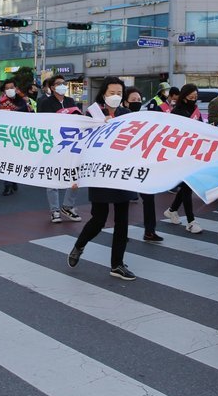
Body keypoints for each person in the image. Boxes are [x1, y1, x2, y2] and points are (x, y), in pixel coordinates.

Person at [68, 77, 139, 280]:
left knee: (122, 220)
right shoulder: (92, 113)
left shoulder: (127, 114)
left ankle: (117, 264)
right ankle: (79, 245)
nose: (115, 97)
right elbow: (82, 143)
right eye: (111, 93)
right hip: (99, 173)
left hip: (121, 173)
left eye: (119, 93)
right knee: (99, 218)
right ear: (103, 94)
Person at [38, 74, 83, 223]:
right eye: (58, 84)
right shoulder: (44, 102)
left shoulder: (71, 101)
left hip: (71, 143)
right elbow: (43, 122)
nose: (62, 86)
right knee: (53, 177)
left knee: (75, 175)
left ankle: (68, 206)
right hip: (54, 144)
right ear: (52, 87)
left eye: (64, 83)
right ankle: (55, 210)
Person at [162, 84, 204, 234]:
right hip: (182, 154)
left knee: (187, 186)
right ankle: (191, 221)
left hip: (195, 152)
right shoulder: (177, 112)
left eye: (195, 97)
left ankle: (172, 210)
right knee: (187, 187)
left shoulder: (196, 110)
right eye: (190, 97)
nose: (193, 100)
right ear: (184, 96)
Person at [124, 87, 162, 242]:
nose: (137, 103)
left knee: (149, 198)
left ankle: (150, 230)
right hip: (125, 166)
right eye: (133, 100)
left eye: (139, 100)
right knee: (123, 202)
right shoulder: (120, 118)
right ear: (125, 102)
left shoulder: (145, 118)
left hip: (143, 165)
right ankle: (122, 232)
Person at [0, 79, 29, 195]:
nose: (10, 90)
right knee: (7, 159)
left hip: (19, 135)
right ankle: (8, 185)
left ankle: (13, 181)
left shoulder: (23, 101)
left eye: (12, 87)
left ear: (16, 88)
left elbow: (29, 115)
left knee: (16, 159)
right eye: (7, 88)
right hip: (6, 135)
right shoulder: (1, 102)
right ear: (4, 90)